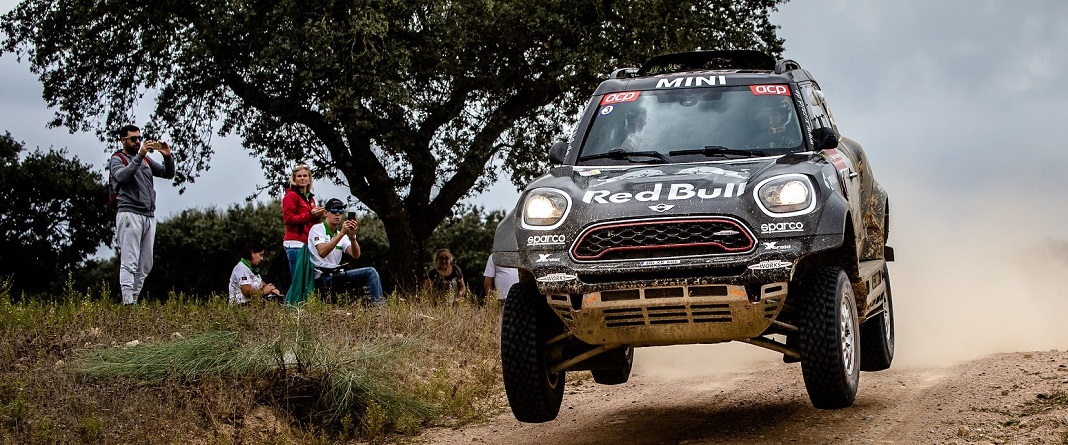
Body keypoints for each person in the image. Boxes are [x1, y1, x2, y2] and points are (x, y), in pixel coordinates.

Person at [109, 124, 175, 305]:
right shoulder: (117, 159)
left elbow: (167, 173)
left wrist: (167, 156)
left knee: (146, 263)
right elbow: (122, 177)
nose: (138, 141)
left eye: (139, 138)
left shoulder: (145, 160)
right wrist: (139, 156)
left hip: (148, 214)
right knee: (129, 260)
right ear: (123, 140)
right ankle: (128, 301)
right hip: (129, 212)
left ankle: (134, 299)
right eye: (133, 139)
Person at [306, 198, 384, 304]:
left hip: (336, 275)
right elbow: (322, 252)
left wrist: (352, 237)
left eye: (341, 211)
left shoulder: (341, 234)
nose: (337, 214)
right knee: (370, 272)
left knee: (371, 273)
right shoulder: (317, 229)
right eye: (334, 211)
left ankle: (377, 309)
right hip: (322, 278)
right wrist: (342, 234)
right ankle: (378, 309)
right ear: (325, 213)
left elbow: (356, 254)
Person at [282, 164, 325, 277]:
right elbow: (289, 219)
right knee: (298, 280)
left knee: (306, 279)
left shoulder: (310, 198)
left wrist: (318, 216)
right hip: (295, 242)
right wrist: (310, 214)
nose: (302, 178)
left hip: (307, 243)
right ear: (294, 179)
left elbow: (311, 223)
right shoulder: (291, 196)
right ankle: (291, 296)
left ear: (309, 178)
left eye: (305, 175)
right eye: (299, 176)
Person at [228, 239, 281, 305]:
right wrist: (263, 292)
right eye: (260, 255)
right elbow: (246, 292)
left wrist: (272, 289)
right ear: (252, 253)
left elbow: (262, 284)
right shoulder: (241, 268)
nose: (262, 259)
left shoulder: (252, 269)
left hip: (252, 305)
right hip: (241, 306)